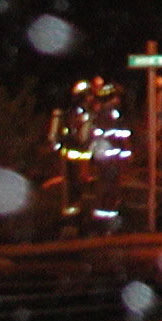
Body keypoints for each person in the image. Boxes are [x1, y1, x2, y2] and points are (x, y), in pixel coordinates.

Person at [49, 78, 98, 227]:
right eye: (89, 95)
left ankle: (74, 219)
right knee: (77, 190)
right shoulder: (83, 114)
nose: (91, 98)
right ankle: (75, 221)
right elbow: (84, 137)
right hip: (78, 159)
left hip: (75, 158)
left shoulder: (72, 112)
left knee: (74, 191)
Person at [88, 81, 133, 232]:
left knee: (103, 187)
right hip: (111, 160)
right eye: (116, 97)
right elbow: (120, 136)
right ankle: (108, 222)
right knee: (110, 188)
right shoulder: (112, 114)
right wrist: (126, 154)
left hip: (104, 159)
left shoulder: (100, 113)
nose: (118, 100)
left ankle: (101, 219)